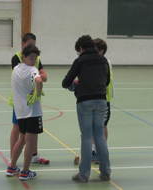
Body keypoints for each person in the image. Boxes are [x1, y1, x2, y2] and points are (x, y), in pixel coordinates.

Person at [62, 35, 111, 182]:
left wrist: (78, 83)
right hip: (102, 101)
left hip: (85, 102)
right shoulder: (103, 60)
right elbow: (107, 81)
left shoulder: (80, 61)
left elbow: (66, 82)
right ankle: (106, 172)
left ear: (81, 48)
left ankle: (84, 175)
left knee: (87, 138)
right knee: (100, 137)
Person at [6, 33, 49, 177]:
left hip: (20, 110)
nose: (34, 60)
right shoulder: (32, 70)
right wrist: (37, 93)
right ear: (24, 56)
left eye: (35, 58)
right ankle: (25, 171)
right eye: (31, 58)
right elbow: (39, 80)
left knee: (22, 138)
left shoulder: (17, 69)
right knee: (30, 140)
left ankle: (12, 167)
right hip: (32, 111)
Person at [91, 38, 114, 163]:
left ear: (101, 50)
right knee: (94, 126)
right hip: (96, 99)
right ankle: (94, 151)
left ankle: (102, 152)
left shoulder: (104, 62)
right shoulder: (97, 61)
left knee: (102, 126)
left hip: (104, 99)